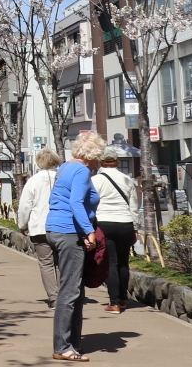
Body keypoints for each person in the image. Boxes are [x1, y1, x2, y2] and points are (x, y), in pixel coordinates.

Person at [46, 133, 106, 362]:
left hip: (55, 228)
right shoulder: (82, 170)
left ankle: (74, 342)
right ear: (92, 155)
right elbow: (76, 202)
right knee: (70, 291)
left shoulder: (65, 167)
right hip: (69, 232)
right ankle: (62, 346)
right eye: (98, 155)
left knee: (76, 289)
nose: (99, 160)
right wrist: (89, 230)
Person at [92, 147, 140, 315]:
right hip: (125, 223)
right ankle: (123, 298)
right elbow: (134, 207)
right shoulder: (127, 180)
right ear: (117, 162)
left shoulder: (95, 180)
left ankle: (114, 303)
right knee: (123, 262)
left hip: (105, 223)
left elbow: (90, 204)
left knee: (110, 263)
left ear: (101, 162)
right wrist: (135, 227)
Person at [16, 148, 63, 307]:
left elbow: (25, 206)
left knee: (46, 264)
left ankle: (54, 298)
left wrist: (22, 224)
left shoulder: (33, 181)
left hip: (39, 227)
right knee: (63, 262)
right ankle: (65, 295)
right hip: (62, 227)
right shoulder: (63, 178)